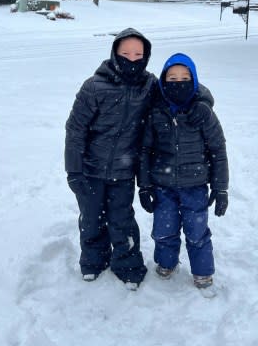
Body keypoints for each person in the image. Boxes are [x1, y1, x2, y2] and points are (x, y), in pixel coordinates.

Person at [65, 28, 156, 289]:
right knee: (91, 218)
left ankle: (127, 265)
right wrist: (74, 170)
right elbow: (75, 130)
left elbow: (174, 95)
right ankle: (93, 261)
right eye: (126, 53)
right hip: (90, 169)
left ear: (146, 56)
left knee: (122, 220)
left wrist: (201, 98)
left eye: (138, 54)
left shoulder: (149, 86)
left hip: (124, 172)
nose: (132, 59)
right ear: (115, 54)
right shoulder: (95, 86)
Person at [138, 53, 229, 292]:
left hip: (195, 186)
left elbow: (218, 149)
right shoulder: (156, 112)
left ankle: (202, 271)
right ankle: (166, 263)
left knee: (197, 232)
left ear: (194, 79)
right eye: (172, 77)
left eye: (185, 77)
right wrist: (144, 185)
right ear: (163, 81)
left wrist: (220, 187)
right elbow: (145, 150)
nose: (179, 82)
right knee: (163, 230)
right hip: (162, 185)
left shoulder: (202, 112)